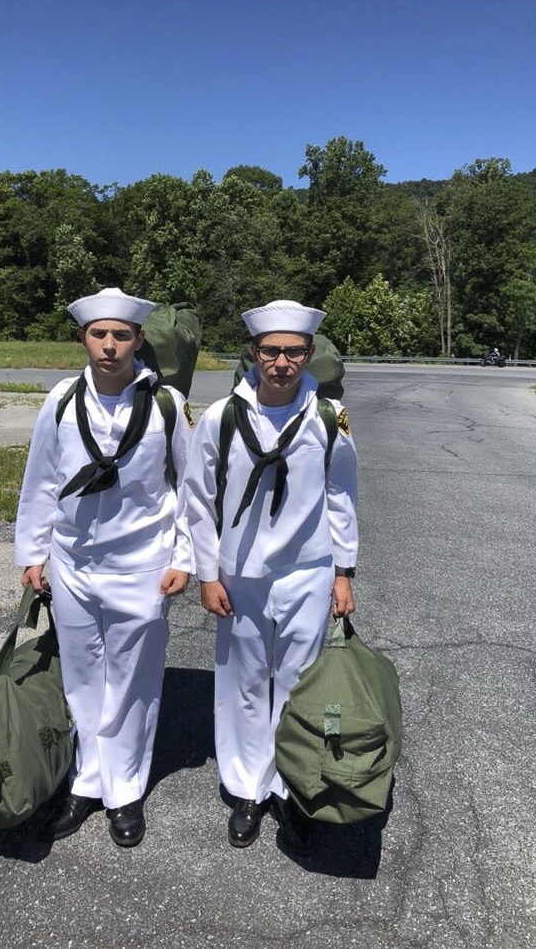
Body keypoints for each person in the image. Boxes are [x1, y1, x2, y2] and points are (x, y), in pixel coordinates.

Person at [14, 287, 192, 848]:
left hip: (142, 563)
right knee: (84, 678)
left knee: (134, 684)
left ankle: (125, 791)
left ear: (138, 340)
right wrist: (32, 552)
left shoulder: (167, 405)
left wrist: (185, 558)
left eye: (121, 335)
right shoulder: (62, 401)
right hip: (72, 564)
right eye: (99, 334)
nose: (109, 346)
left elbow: (191, 489)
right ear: (83, 339)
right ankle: (88, 781)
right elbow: (40, 479)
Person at [182, 299, 358, 853]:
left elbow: (341, 498)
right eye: (271, 351)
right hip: (242, 576)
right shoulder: (223, 417)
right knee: (244, 686)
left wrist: (344, 572)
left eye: (294, 352)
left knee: (297, 684)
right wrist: (207, 573)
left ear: (309, 355)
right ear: (254, 353)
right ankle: (246, 788)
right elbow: (197, 499)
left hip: (308, 571)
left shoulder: (328, 419)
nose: (282, 362)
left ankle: (290, 785)